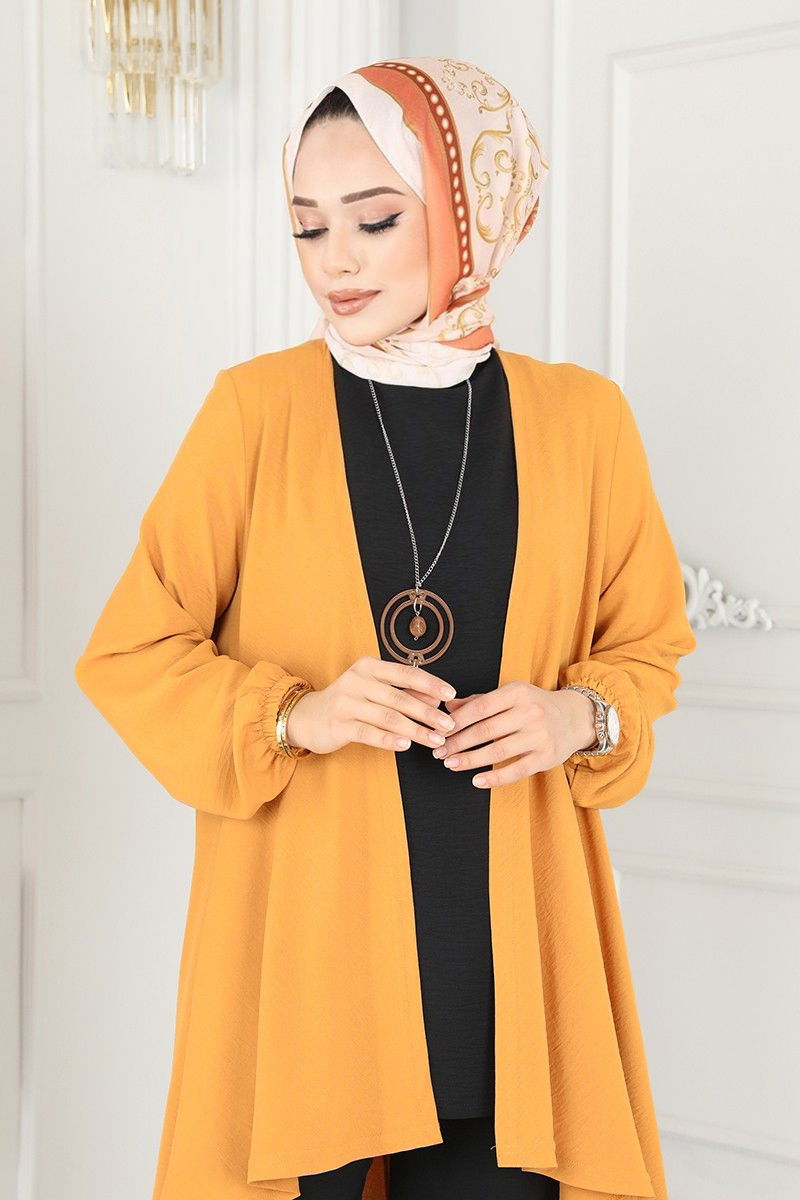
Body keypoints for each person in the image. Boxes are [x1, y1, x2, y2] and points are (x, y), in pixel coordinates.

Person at [74, 57, 697, 1200]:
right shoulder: (253, 411)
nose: (336, 260)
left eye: (373, 219)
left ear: (470, 214)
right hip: (308, 956)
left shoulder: (582, 421)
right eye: (308, 227)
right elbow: (131, 650)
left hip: (504, 964)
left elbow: (646, 646)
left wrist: (578, 714)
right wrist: (293, 714)